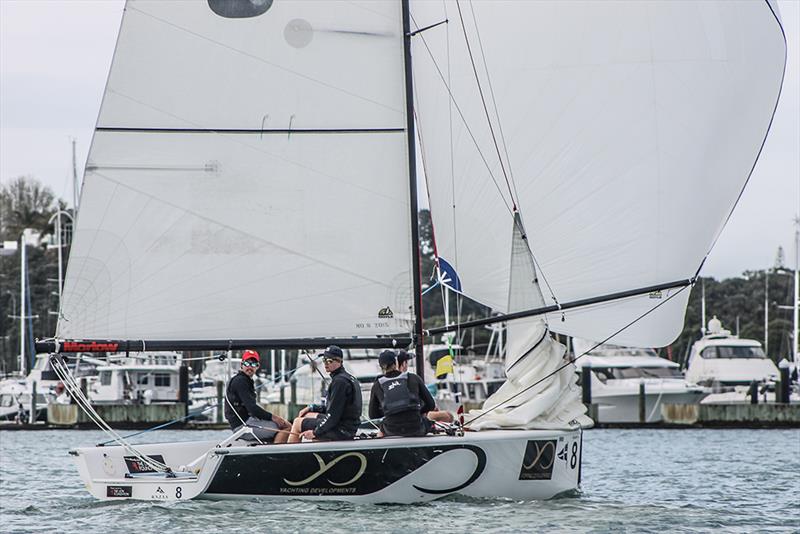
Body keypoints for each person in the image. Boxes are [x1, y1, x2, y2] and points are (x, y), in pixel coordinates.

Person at [368, 349, 451, 437]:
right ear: (396, 362)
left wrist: (389, 411)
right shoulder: (413, 378)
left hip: (391, 430)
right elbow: (431, 404)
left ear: (381, 367)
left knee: (382, 429)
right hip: (417, 428)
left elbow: (373, 415)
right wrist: (417, 411)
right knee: (429, 422)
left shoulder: (377, 385)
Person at [288, 345, 362, 443]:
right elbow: (332, 407)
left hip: (342, 430)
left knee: (297, 423)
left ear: (339, 361)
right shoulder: (347, 378)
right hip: (346, 425)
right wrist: (311, 407)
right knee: (307, 414)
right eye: (324, 360)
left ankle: (290, 456)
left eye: (330, 361)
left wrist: (315, 433)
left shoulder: (340, 382)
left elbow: (332, 416)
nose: (326, 364)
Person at [224, 349, 291, 443]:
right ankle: (277, 456)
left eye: (254, 364)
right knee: (285, 427)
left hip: (247, 422)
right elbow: (252, 409)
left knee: (283, 424)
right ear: (242, 364)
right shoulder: (240, 381)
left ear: (258, 366)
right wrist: (274, 417)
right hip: (242, 426)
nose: (250, 367)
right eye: (247, 363)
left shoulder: (244, 380)